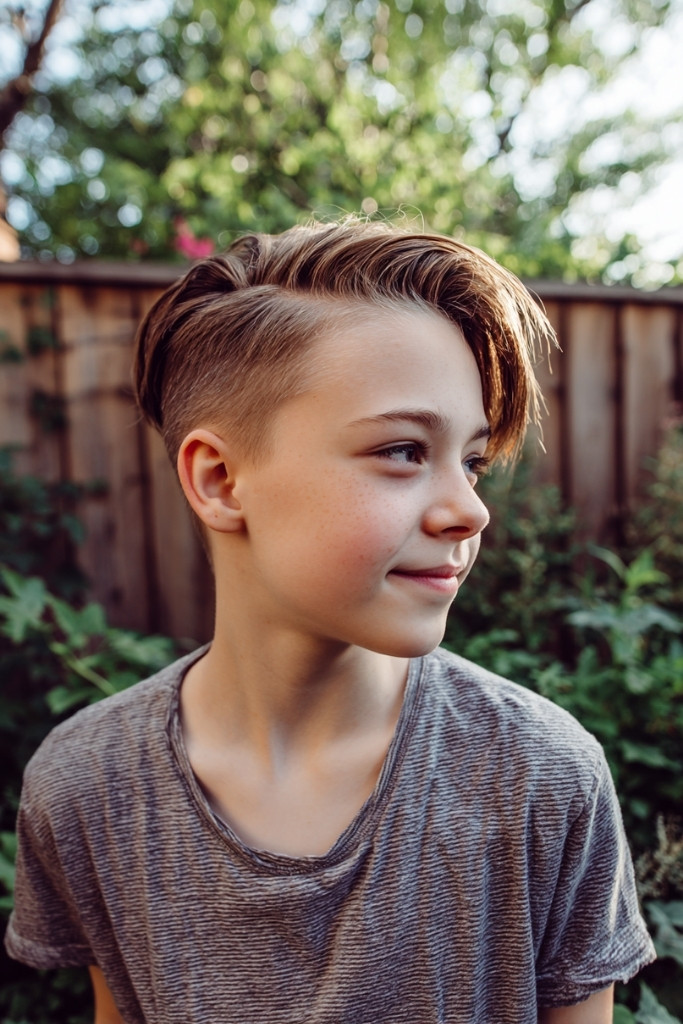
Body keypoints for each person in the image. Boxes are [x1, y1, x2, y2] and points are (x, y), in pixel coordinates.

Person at [5, 220, 654, 1023]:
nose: (469, 509)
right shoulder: (86, 788)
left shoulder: (542, 780)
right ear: (219, 480)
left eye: (473, 460)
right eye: (403, 451)